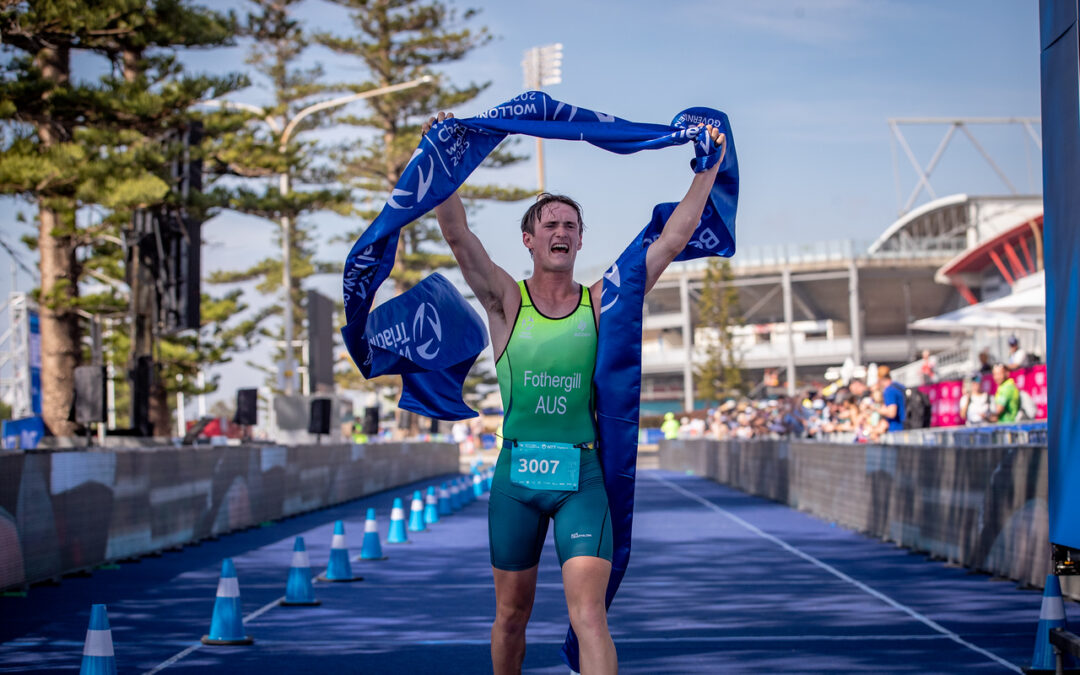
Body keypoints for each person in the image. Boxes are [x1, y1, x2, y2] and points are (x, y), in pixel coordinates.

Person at [423, 111, 725, 675]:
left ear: (580, 239)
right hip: (515, 479)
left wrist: (706, 169)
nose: (561, 232)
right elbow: (457, 234)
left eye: (570, 225)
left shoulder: (602, 301)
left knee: (589, 615)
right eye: (550, 225)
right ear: (529, 240)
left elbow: (673, 238)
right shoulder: (505, 300)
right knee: (511, 616)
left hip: (579, 481)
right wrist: (442, 158)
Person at [874, 365, 906, 433]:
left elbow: (892, 413)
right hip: (905, 426)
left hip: (896, 429)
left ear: (880, 378)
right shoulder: (898, 386)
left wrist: (876, 409)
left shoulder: (889, 390)